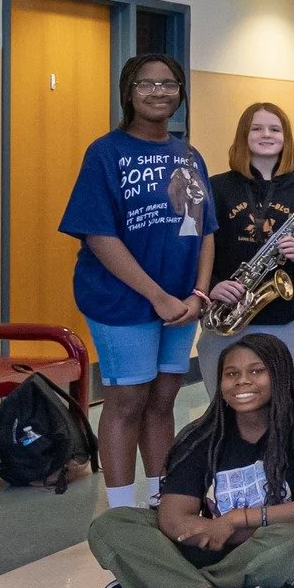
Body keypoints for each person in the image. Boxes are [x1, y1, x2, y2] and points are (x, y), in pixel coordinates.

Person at [89, 336, 294, 588]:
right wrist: (208, 531)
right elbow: (172, 517)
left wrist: (236, 521)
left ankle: (158, 586)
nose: (242, 381)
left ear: (280, 375)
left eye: (256, 371)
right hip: (212, 544)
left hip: (270, 546)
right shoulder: (202, 435)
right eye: (231, 374)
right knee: (112, 524)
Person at [62, 53, 216, 510]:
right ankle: (121, 510)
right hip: (122, 301)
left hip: (182, 303)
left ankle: (161, 499)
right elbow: (98, 235)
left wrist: (198, 293)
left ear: (180, 93)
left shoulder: (189, 155)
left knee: (164, 399)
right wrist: (157, 295)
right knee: (127, 399)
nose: (158, 92)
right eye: (146, 84)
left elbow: (205, 229)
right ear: (128, 92)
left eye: (169, 84)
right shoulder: (105, 152)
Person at [200, 102, 294, 382]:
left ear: (286, 137)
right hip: (228, 310)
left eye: (275, 129)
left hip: (289, 316)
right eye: (257, 129)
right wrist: (212, 285)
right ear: (243, 135)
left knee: (281, 395)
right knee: (225, 394)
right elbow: (198, 247)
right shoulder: (217, 187)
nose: (266, 135)